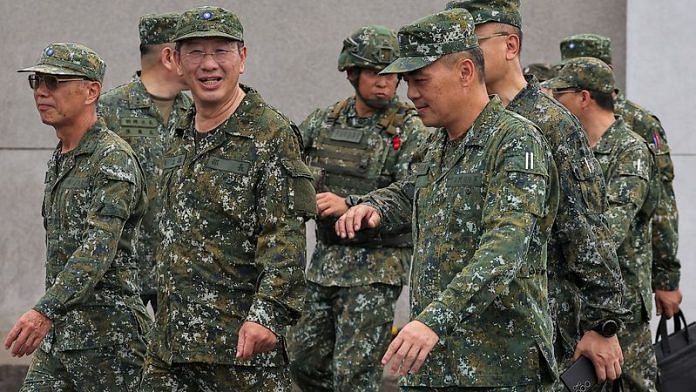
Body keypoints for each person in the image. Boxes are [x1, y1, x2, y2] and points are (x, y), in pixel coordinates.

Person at [336, 8, 559, 390]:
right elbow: (411, 190)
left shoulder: (514, 141)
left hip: (498, 368)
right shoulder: (438, 143)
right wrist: (373, 205)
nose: (412, 94)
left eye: (420, 80)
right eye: (407, 82)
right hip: (435, 365)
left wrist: (432, 320)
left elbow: (504, 247)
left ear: (465, 71)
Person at [446, 0, 626, 383]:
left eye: (475, 41)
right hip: (479, 331)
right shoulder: (468, 121)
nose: (465, 55)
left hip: (542, 328)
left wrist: (602, 324)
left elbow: (587, 229)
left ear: (511, 46)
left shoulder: (551, 123)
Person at [139, 6, 316, 391]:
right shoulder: (177, 131)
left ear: (243, 58)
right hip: (170, 347)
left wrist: (268, 314)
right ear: (175, 61)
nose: (209, 65)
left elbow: (284, 237)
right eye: (196, 53)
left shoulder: (271, 134)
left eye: (221, 51)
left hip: (238, 351)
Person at [287, 25, 429, 391]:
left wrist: (351, 203)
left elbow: (414, 192)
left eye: (391, 74)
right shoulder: (325, 121)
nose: (384, 82)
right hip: (326, 264)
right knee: (302, 361)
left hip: (376, 269)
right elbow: (288, 166)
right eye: (373, 72)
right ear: (352, 72)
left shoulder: (410, 129)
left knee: (355, 375)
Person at [6, 42, 149, 391]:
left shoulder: (111, 158)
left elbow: (97, 247)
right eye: (37, 81)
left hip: (109, 340)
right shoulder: (62, 156)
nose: (42, 91)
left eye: (54, 82)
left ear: (91, 91)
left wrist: (44, 311)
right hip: (63, 337)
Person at [545, 56, 661, 391]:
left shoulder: (630, 151)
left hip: (619, 305)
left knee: (633, 383)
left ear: (583, 97)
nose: (554, 100)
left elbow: (609, 228)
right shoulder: (575, 149)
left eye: (560, 93)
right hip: (576, 299)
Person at [560, 33, 682, 321]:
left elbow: (662, 203)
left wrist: (666, 278)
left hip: (625, 275)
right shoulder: (566, 123)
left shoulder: (639, 124)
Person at [99, 12, 192, 313]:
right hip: (125, 270)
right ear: (169, 56)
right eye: (191, 51)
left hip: (181, 272)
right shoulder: (108, 110)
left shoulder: (197, 112)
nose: (203, 63)